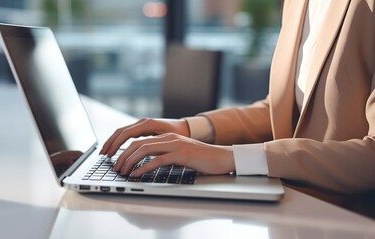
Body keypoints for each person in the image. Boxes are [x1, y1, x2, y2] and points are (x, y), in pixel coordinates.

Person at [100, 0, 375, 199]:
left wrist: (231, 158)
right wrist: (186, 129)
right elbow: (280, 111)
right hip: (290, 209)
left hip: (344, 218)